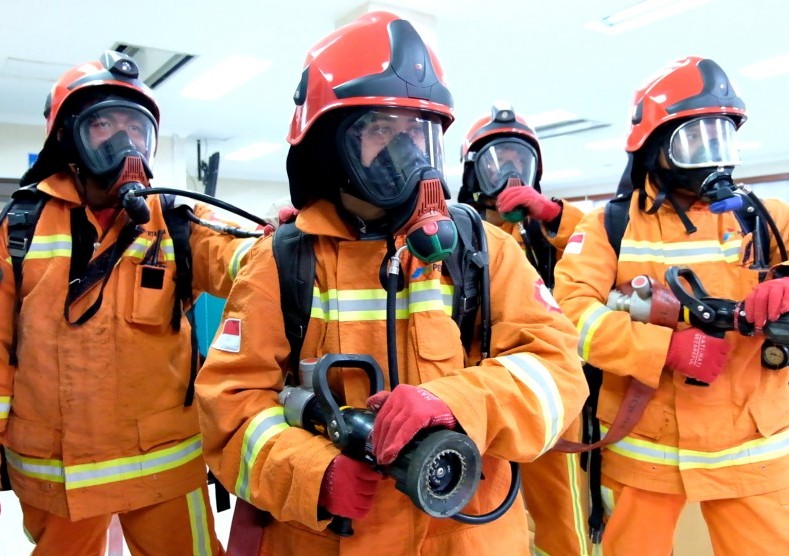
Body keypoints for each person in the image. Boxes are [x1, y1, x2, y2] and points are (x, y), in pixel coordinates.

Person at [195, 11, 588, 555]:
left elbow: (560, 374)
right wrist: (314, 475)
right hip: (330, 537)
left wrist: (455, 402)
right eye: (381, 128)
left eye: (418, 131)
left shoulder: (482, 251)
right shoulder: (281, 262)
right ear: (329, 141)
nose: (408, 152)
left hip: (467, 532)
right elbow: (228, 408)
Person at [552, 55, 789, 555]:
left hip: (752, 452)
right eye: (695, 139)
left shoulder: (768, 219)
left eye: (722, 137)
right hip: (647, 449)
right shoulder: (608, 228)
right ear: (655, 146)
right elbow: (570, 315)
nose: (713, 155)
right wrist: (663, 349)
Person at [0, 50, 255, 555]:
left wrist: (286, 245)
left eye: (136, 129)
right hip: (57, 472)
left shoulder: (175, 220)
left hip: (161, 464)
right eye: (105, 127)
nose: (126, 144)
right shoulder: (20, 227)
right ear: (68, 137)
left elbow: (244, 261)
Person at [458, 103, 589, 555]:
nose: (511, 175)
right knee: (481, 510)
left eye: (521, 162)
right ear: (474, 174)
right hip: (482, 395)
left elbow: (603, 247)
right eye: (498, 163)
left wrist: (551, 215)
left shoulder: (549, 233)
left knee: (561, 508)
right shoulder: (453, 234)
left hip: (548, 399)